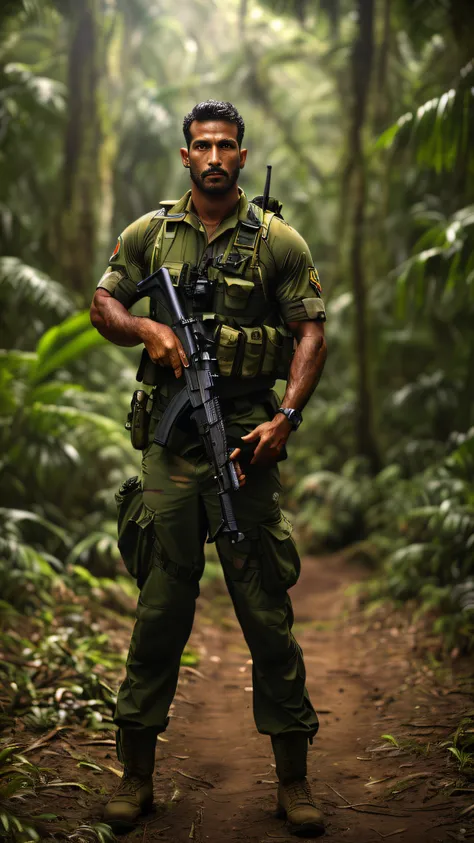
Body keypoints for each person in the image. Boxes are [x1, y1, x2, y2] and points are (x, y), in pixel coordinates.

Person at [90, 100, 327, 837]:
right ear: (185, 155)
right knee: (160, 612)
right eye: (203, 145)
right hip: (169, 455)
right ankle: (135, 776)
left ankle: (293, 781)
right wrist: (148, 327)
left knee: (266, 614)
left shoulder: (277, 242)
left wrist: (284, 420)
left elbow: (310, 331)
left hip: (245, 448)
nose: (216, 156)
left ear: (243, 156)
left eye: (227, 144)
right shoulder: (149, 234)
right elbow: (101, 302)